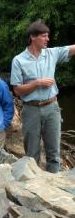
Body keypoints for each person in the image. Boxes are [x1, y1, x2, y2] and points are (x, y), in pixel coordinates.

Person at [10, 20, 75, 173]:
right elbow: (17, 90)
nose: (48, 39)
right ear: (33, 37)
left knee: (54, 154)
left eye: (48, 36)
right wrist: (37, 83)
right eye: (44, 36)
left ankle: (53, 187)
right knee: (32, 155)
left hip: (52, 108)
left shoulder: (51, 53)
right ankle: (32, 189)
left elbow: (73, 49)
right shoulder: (19, 60)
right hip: (31, 110)